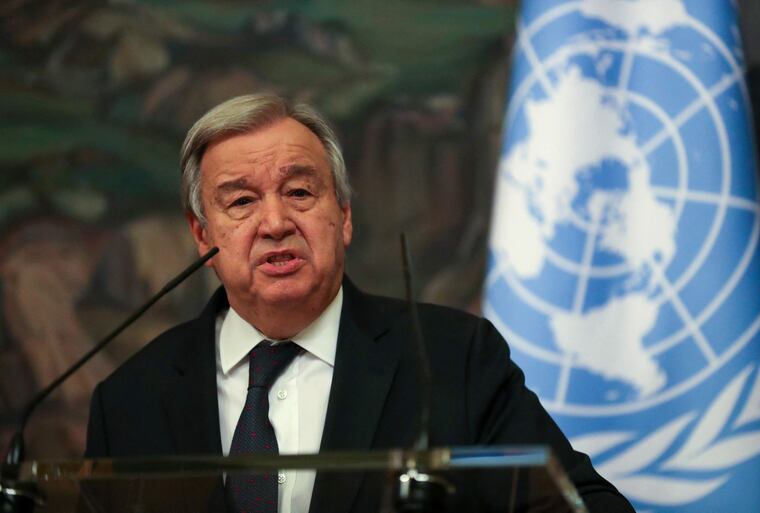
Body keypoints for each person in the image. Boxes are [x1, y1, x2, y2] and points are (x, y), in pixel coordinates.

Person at [85, 93, 635, 513]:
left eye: (300, 193)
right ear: (202, 235)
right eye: (242, 201)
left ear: (342, 216)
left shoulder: (452, 359)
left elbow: (588, 505)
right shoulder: (131, 398)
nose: (275, 223)